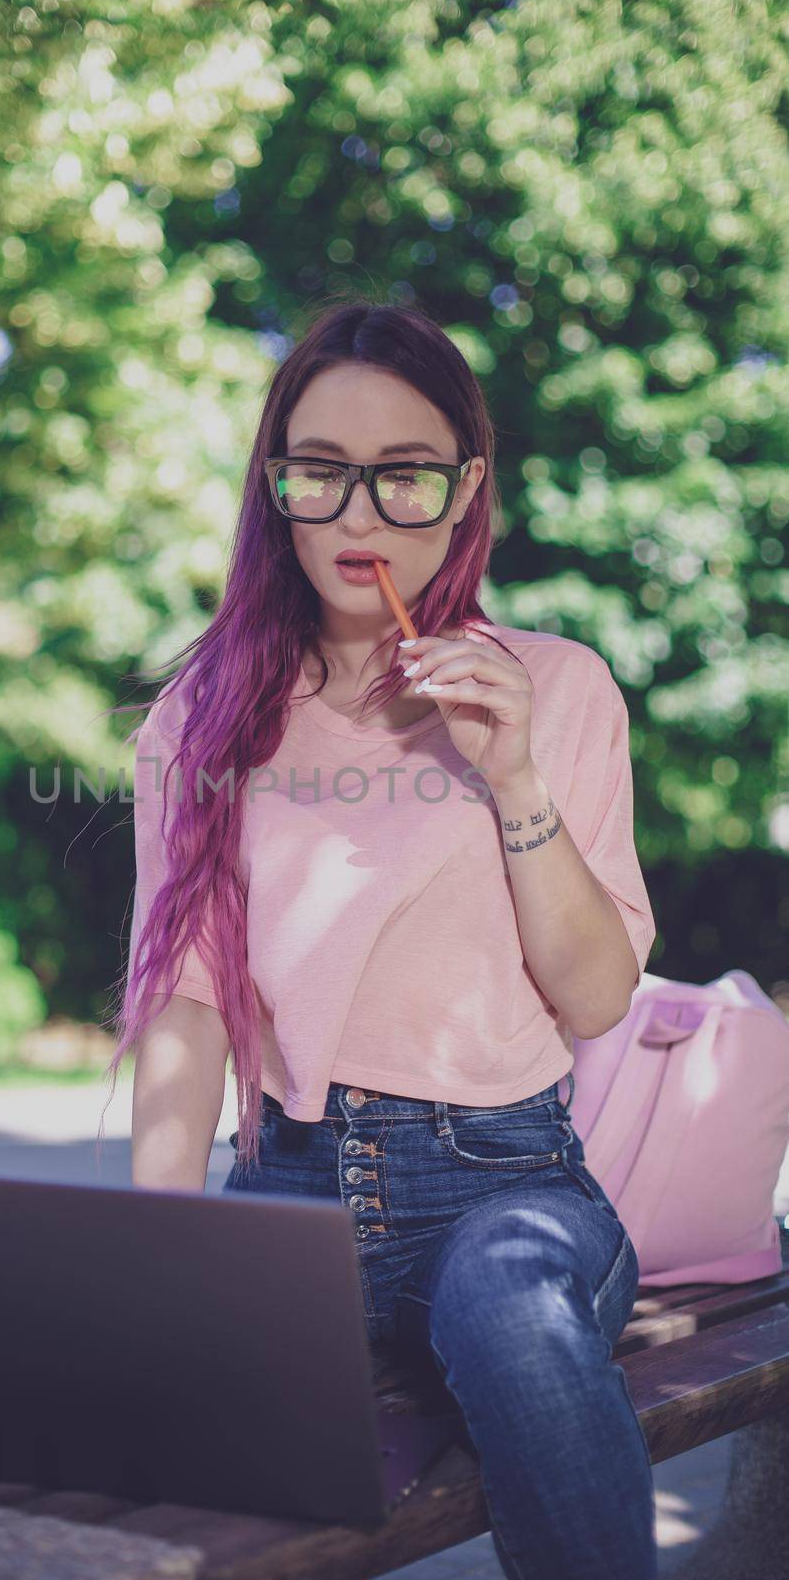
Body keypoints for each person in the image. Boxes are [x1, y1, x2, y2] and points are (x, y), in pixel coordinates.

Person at [103, 297, 659, 1579]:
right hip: (289, 1188)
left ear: (463, 492)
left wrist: (512, 776)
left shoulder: (552, 686)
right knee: (145, 1431)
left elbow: (593, 995)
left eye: (403, 477)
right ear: (274, 487)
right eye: (320, 475)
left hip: (504, 1186)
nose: (359, 517)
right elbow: (182, 1003)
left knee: (516, 1321)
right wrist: (157, 1242)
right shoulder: (202, 719)